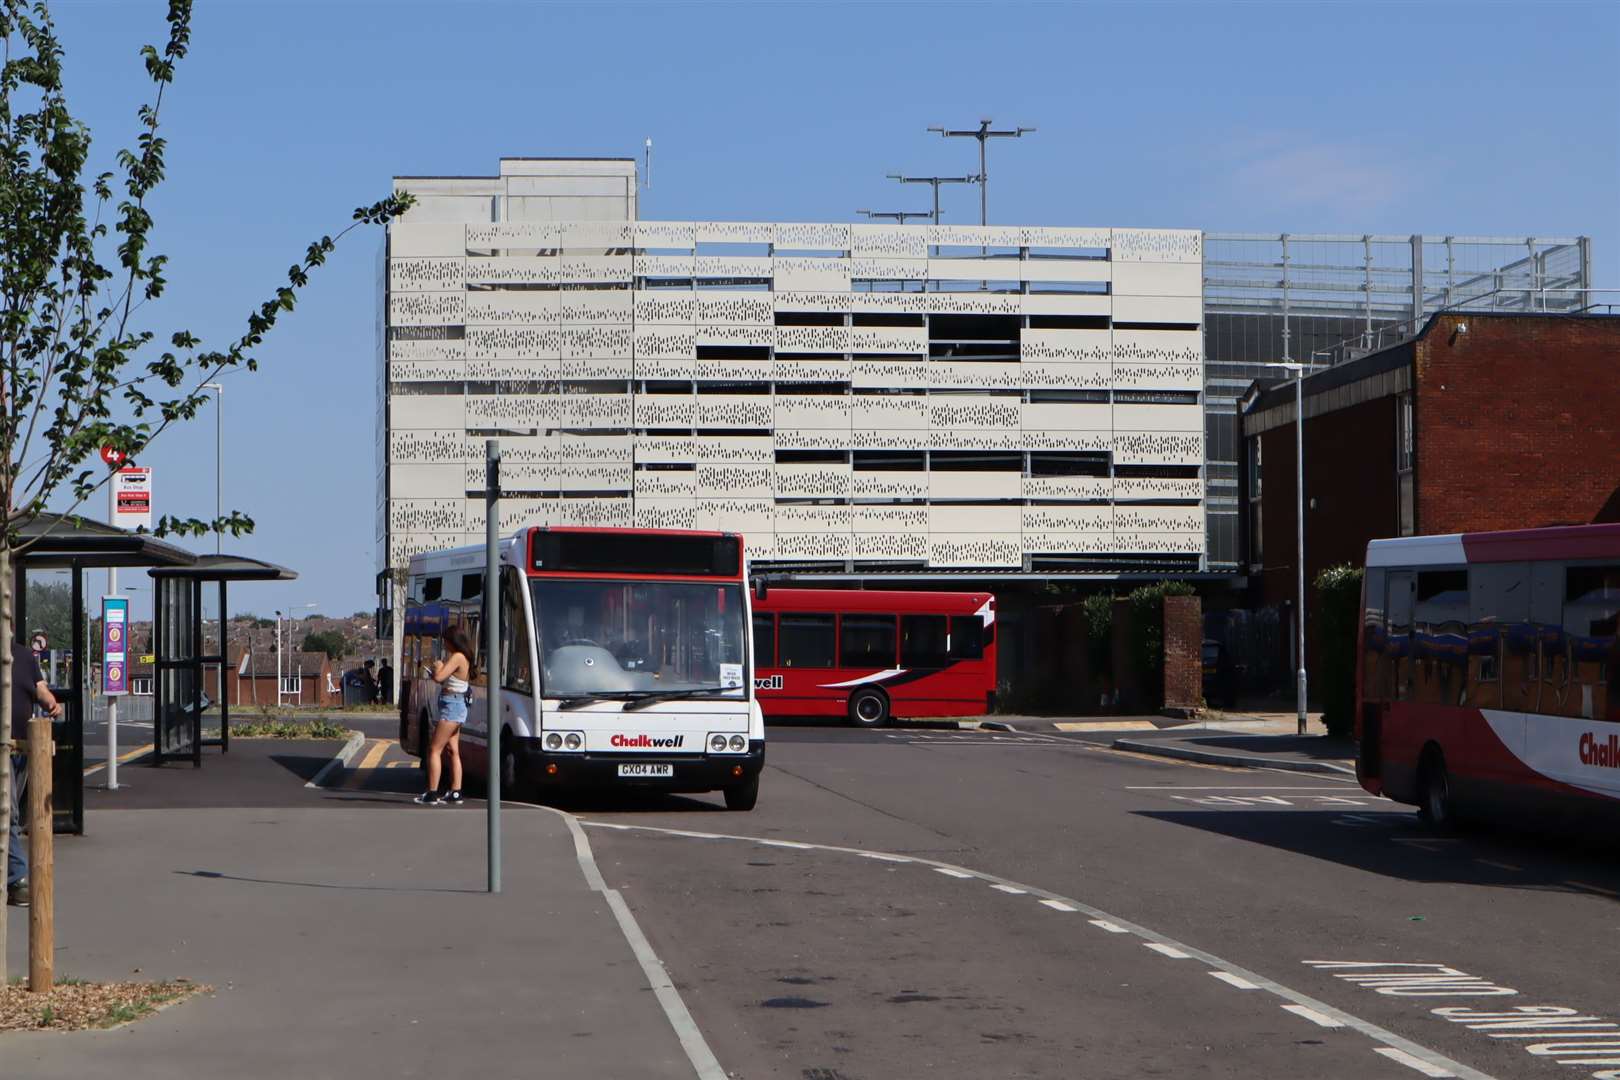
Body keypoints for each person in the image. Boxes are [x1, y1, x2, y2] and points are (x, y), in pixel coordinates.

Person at [9, 640, 62, 907]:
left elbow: (38, 687)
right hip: (3, 747)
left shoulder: (24, 656)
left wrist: (51, 701)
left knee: (13, 814)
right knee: (8, 813)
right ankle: (17, 880)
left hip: (24, 748)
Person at [415, 626, 474, 806]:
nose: (445, 645)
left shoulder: (457, 657)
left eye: (446, 641)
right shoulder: (462, 657)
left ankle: (432, 792)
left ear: (452, 641)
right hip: (456, 704)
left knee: (434, 749)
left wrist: (438, 667)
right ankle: (455, 791)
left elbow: (439, 677)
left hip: (452, 706)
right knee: (452, 750)